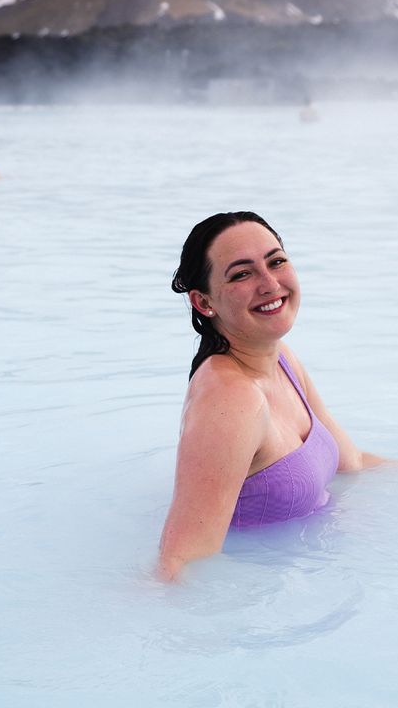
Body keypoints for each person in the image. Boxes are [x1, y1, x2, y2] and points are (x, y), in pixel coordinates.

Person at [157, 212, 384, 581]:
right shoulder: (230, 401)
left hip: (311, 571)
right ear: (203, 302)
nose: (269, 283)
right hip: (267, 602)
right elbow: (181, 559)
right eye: (241, 274)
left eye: (276, 261)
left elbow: (351, 462)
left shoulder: (281, 360)